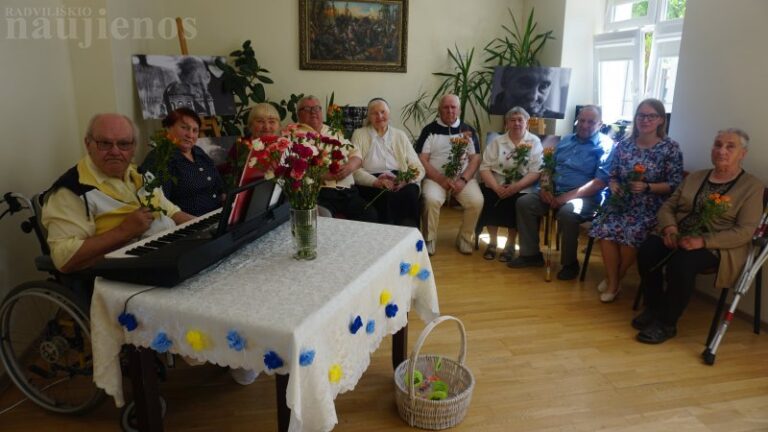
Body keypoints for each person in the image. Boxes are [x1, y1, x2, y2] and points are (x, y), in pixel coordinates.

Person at [633, 129, 763, 344]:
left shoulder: (752, 187)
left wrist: (702, 241)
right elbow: (668, 206)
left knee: (681, 263)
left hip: (716, 246)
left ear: (743, 153)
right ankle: (653, 306)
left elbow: (745, 231)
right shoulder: (696, 176)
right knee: (648, 250)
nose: (722, 151)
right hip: (678, 234)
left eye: (730, 146)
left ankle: (666, 323)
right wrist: (670, 229)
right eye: (717, 144)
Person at [41, 113, 195, 274]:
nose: (115, 151)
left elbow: (172, 212)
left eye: (124, 144)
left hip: (166, 259)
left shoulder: (140, 175)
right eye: (105, 144)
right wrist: (124, 232)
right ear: (88, 144)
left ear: (133, 147)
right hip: (122, 275)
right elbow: (64, 259)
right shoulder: (70, 192)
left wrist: (211, 227)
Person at [590, 99, 684, 302]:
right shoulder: (624, 145)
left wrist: (649, 187)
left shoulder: (670, 148)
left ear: (660, 120)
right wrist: (613, 185)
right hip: (621, 202)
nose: (645, 120)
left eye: (651, 116)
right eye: (641, 115)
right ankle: (614, 280)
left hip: (650, 205)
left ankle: (614, 280)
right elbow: (612, 175)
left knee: (631, 233)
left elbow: (675, 184)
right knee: (605, 229)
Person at [508, 105, 613, 280]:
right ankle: (531, 255)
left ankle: (570, 264)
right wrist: (545, 188)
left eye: (591, 122)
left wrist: (565, 197)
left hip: (586, 198)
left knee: (568, 212)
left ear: (600, 124)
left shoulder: (605, 146)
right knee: (524, 203)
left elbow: (599, 183)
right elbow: (548, 167)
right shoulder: (565, 140)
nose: (585, 125)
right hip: (555, 192)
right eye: (582, 120)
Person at [417, 94, 484, 256]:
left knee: (476, 201)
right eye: (446, 107)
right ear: (439, 110)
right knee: (431, 200)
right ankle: (429, 238)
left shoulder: (468, 130)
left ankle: (464, 238)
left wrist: (463, 179)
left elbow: (475, 158)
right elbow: (422, 159)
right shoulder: (429, 130)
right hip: (435, 179)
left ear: (459, 110)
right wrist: (440, 179)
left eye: (453, 107)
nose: (450, 110)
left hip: (462, 179)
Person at [295, 95, 377, 223]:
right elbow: (294, 168)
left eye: (317, 108)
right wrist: (322, 174)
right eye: (307, 109)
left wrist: (350, 166)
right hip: (320, 194)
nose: (313, 112)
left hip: (348, 192)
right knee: (325, 221)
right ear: (298, 115)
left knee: (370, 215)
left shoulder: (334, 132)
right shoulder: (293, 136)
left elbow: (356, 153)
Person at [478, 106, 543, 262]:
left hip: (522, 186)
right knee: (489, 198)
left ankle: (510, 243)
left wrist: (515, 187)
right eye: (512, 120)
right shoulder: (497, 141)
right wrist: (496, 188)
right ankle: (492, 242)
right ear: (506, 123)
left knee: (518, 202)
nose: (516, 123)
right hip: (497, 183)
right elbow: (485, 168)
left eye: (520, 120)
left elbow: (536, 171)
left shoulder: (534, 142)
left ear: (527, 122)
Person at [351, 98, 425, 227]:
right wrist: (376, 182)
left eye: (383, 112)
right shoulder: (359, 134)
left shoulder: (400, 135)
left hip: (400, 178)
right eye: (374, 113)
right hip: (371, 180)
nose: (379, 116)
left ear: (389, 113)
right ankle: (387, 239)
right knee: (386, 196)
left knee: (411, 192)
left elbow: (418, 166)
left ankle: (410, 238)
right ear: (368, 116)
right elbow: (354, 169)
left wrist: (405, 180)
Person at [141, 107, 225, 217]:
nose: (190, 135)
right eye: (185, 128)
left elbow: (219, 187)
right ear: (168, 128)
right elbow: (161, 206)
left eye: (195, 130)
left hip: (219, 215)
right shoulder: (160, 158)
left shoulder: (199, 152)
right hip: (191, 225)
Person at [490, 67, 563, 119]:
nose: (534, 96)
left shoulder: (558, 118)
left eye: (543, 86)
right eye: (525, 84)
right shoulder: (484, 115)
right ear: (505, 80)